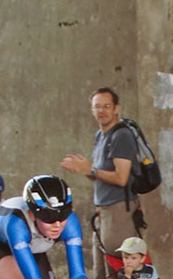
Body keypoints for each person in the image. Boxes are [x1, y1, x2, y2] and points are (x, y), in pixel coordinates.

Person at [61, 87, 145, 265]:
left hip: (119, 211)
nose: (102, 111)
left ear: (116, 108)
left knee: (121, 269)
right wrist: (84, 170)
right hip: (103, 212)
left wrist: (90, 170)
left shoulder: (122, 135)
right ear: (92, 110)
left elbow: (121, 178)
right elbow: (98, 174)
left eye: (107, 106)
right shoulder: (100, 135)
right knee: (101, 272)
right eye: (97, 107)